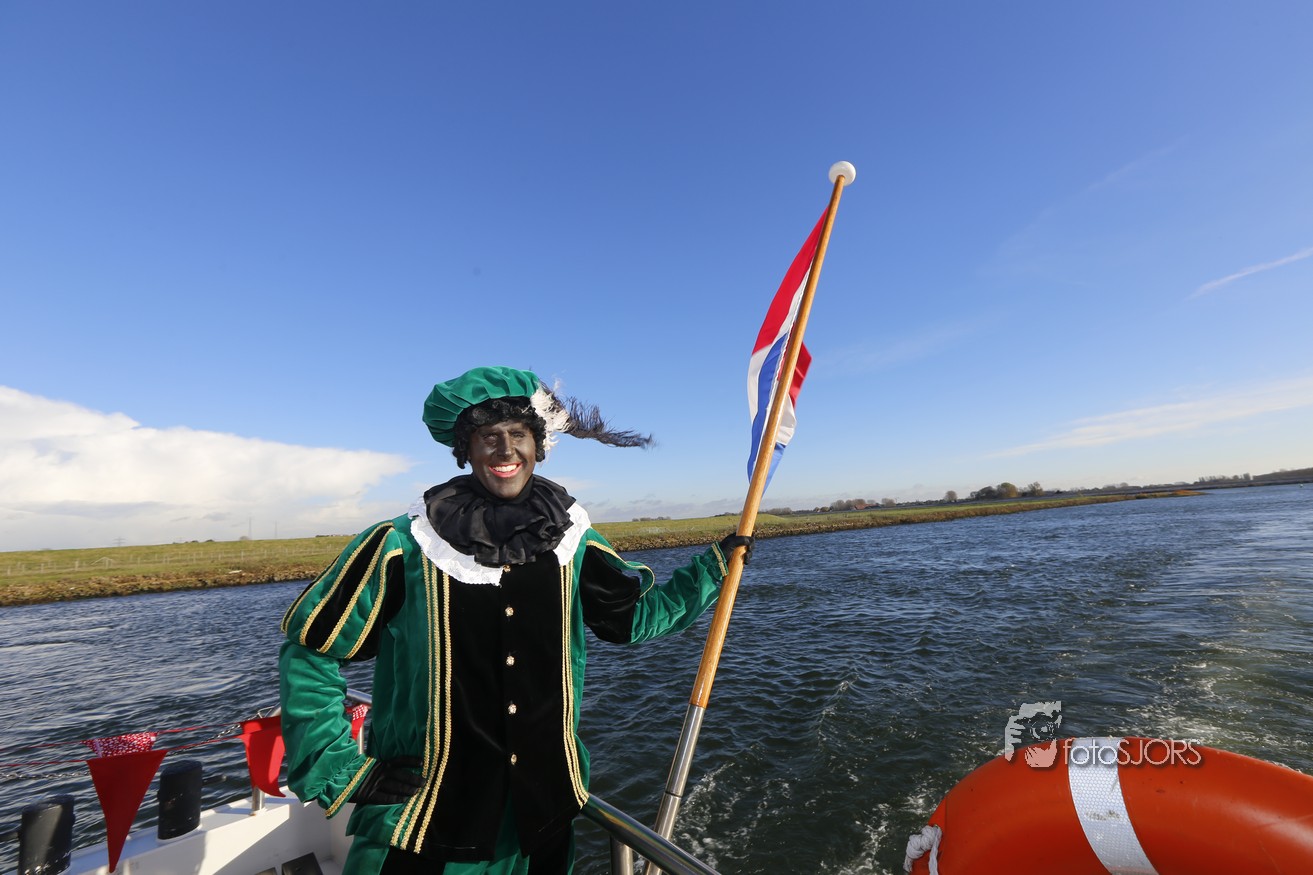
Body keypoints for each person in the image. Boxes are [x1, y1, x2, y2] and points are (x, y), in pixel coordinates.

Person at [279, 366, 752, 875]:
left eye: (518, 434)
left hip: (542, 816)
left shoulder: (572, 539)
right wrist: (340, 767)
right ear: (466, 450)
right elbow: (310, 651)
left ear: (538, 445)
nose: (505, 450)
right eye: (488, 437)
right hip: (425, 822)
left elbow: (632, 617)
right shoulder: (402, 545)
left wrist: (714, 568)